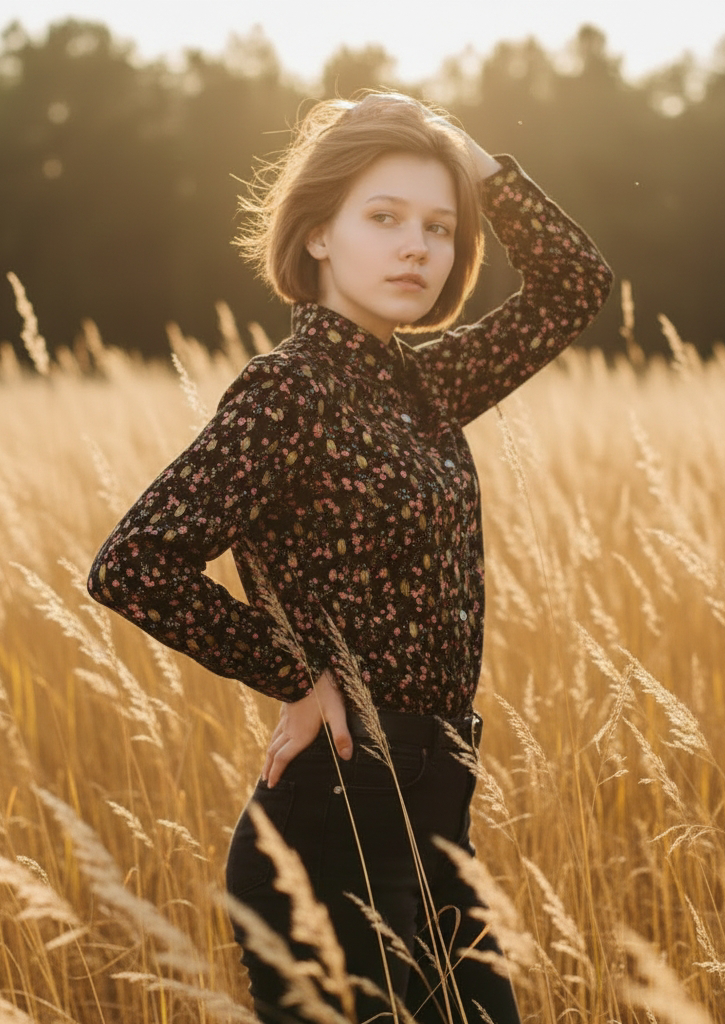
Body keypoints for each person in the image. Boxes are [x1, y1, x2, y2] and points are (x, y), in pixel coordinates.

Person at [88, 91, 612, 1023]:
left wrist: (462, 149)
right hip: (336, 826)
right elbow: (134, 564)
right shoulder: (289, 391)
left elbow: (575, 285)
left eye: (439, 227)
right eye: (384, 218)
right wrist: (296, 675)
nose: (418, 247)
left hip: (436, 816)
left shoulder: (424, 385)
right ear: (319, 234)